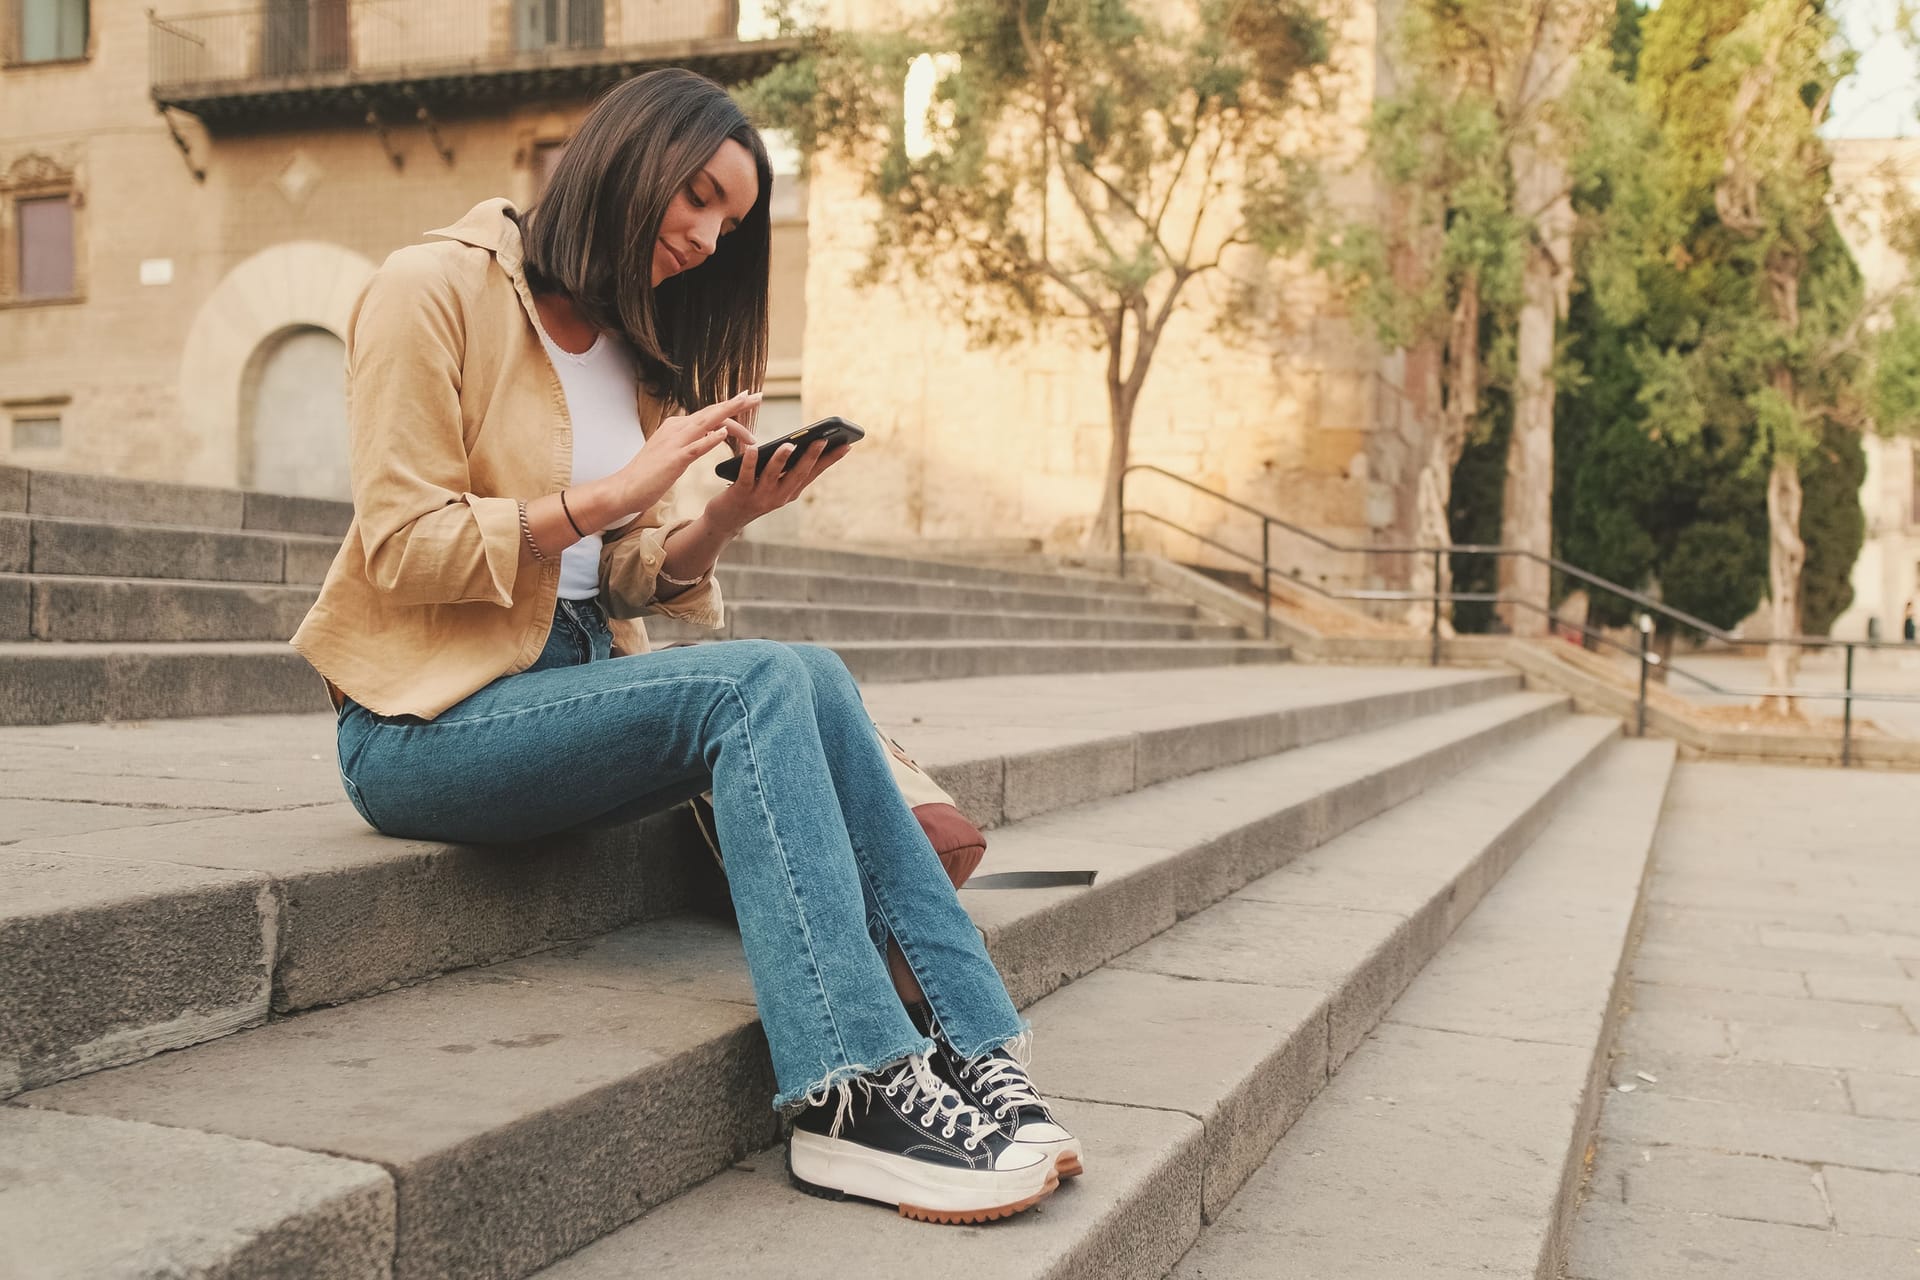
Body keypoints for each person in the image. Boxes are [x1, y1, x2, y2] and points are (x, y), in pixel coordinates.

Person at [291, 68, 1078, 1225]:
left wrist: (717, 516)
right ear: (627, 155)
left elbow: (625, 577)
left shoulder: (626, 350)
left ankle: (971, 1046)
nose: (710, 237)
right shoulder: (429, 289)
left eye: (731, 220)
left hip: (573, 682)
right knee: (760, 681)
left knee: (804, 665)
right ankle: (850, 1092)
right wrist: (614, 489)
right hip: (423, 723)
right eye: (699, 198)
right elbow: (400, 546)